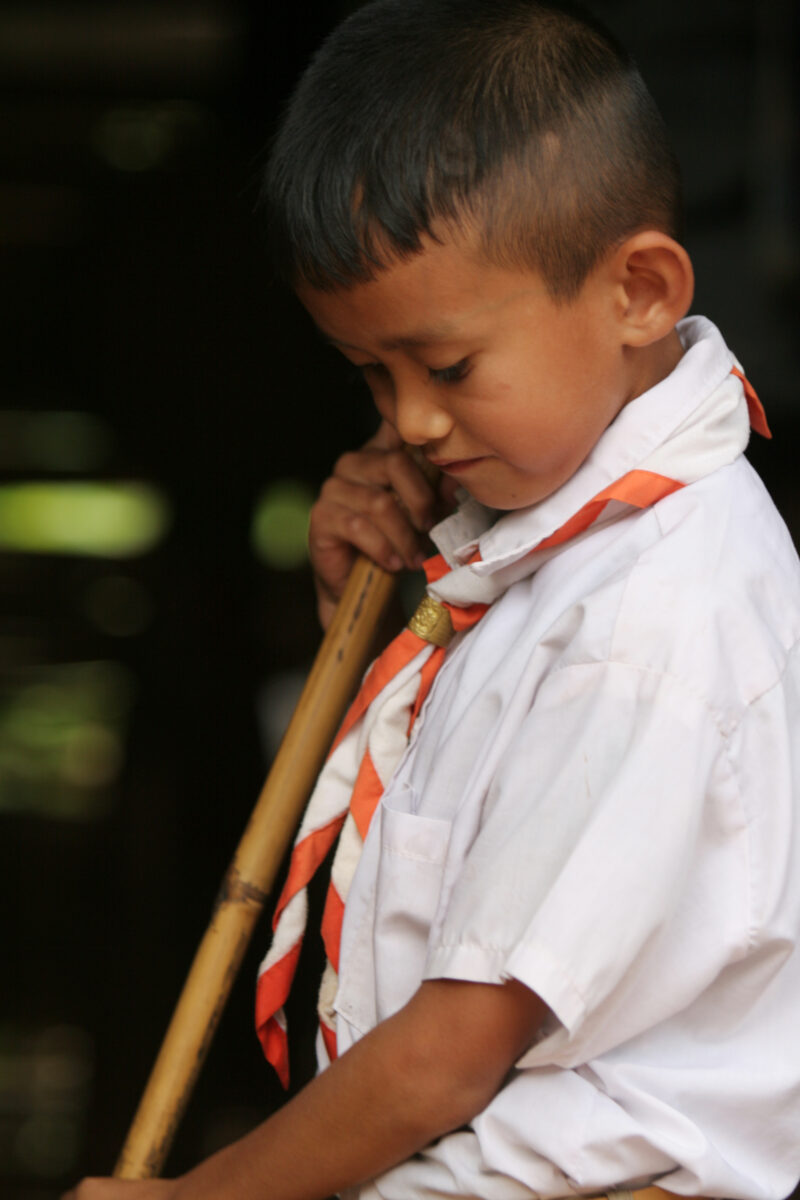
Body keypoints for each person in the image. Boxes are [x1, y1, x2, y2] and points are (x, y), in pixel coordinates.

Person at [65, 2, 800, 1199]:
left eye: (447, 368)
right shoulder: (536, 537)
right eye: (371, 372)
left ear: (639, 292)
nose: (406, 421)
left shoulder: (648, 617)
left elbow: (445, 1058)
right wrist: (386, 600)